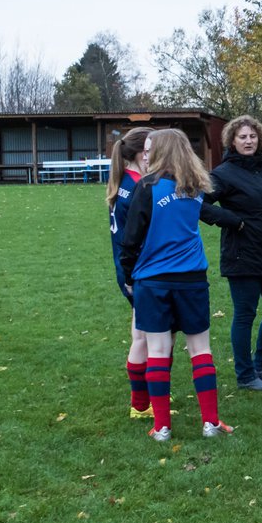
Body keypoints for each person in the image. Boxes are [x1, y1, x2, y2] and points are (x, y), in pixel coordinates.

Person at [120, 128, 243, 442]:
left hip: (153, 281)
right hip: (191, 280)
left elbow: (131, 239)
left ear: (161, 151)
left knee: (159, 352)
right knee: (200, 350)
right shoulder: (196, 187)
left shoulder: (146, 187)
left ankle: (162, 427)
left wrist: (130, 276)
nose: (146, 154)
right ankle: (210, 423)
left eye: (151, 148)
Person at [207, 116, 262, 391]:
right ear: (232, 140)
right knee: (245, 314)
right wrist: (231, 220)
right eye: (242, 137)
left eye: (252, 136)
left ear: (260, 140)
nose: (248, 141)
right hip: (242, 255)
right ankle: (245, 375)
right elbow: (199, 204)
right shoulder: (223, 173)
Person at [106, 126, 154, 416]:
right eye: (150, 149)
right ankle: (141, 404)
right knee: (143, 337)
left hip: (127, 269)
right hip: (138, 271)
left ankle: (150, 396)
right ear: (140, 153)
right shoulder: (138, 186)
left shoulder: (124, 180)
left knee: (143, 334)